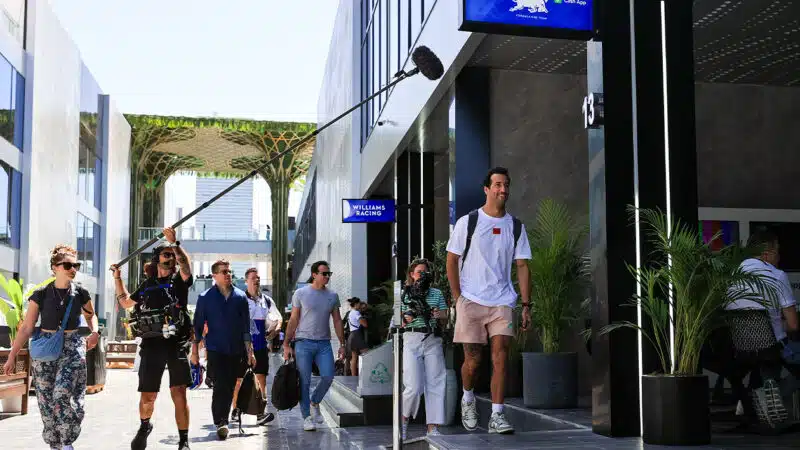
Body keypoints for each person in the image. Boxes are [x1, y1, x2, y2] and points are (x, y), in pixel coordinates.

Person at [446, 167, 531, 435]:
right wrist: (459, 298)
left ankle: (497, 415)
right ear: (487, 189)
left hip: (502, 302)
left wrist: (526, 305)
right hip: (471, 300)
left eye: (506, 184)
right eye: (497, 184)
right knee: (472, 361)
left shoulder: (516, 226)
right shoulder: (468, 222)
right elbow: (451, 260)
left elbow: (522, 266)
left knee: (501, 357)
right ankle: (468, 397)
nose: (502, 189)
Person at [3, 245, 99, 450]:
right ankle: (55, 444)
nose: (73, 269)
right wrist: (12, 356)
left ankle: (67, 442)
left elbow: (91, 316)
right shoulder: (41, 294)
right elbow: (27, 327)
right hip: (46, 348)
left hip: (72, 346)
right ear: (55, 267)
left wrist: (95, 332)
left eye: (76, 265)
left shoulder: (80, 292)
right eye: (68, 265)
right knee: (46, 401)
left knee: (62, 395)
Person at [111, 227, 194, 450]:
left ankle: (184, 440)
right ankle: (145, 425)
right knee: (148, 396)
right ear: (157, 259)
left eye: (173, 255)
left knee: (179, 393)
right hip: (151, 344)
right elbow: (126, 302)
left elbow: (186, 266)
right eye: (167, 254)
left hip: (176, 344)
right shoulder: (147, 285)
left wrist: (175, 244)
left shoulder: (180, 281)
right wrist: (118, 277)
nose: (172, 258)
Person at [190, 259, 256, 440]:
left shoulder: (241, 297)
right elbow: (196, 327)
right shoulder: (205, 298)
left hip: (236, 350)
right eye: (224, 271)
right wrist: (194, 352)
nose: (228, 274)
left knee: (232, 384)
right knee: (222, 385)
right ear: (214, 276)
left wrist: (250, 352)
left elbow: (246, 327)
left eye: (229, 271)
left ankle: (225, 418)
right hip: (215, 349)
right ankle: (221, 422)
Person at [283, 260, 346, 431]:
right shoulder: (301, 293)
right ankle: (306, 417)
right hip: (303, 343)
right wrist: (286, 344)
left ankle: (315, 401)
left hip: (324, 343)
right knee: (304, 381)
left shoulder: (332, 296)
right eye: (324, 273)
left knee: (328, 376)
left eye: (328, 274)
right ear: (314, 275)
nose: (327, 277)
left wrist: (342, 343)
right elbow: (294, 319)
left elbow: (337, 320)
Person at [400, 258, 448, 440]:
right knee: (413, 385)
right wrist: (406, 318)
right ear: (412, 275)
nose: (422, 275)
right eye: (419, 272)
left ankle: (432, 427)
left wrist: (439, 314)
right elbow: (397, 321)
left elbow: (444, 318)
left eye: (425, 272)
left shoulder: (436, 293)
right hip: (411, 337)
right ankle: (403, 420)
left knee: (436, 381)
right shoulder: (404, 293)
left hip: (432, 338)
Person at [230, 267, 281, 426]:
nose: (256, 280)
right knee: (238, 380)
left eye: (258, 278)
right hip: (241, 346)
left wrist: (276, 328)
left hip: (260, 346)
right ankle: (236, 409)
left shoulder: (266, 300)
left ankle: (260, 412)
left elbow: (278, 318)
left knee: (261, 379)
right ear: (246, 281)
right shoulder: (239, 299)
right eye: (253, 278)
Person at [345, 297, 368, 376]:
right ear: (356, 304)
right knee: (366, 354)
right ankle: (364, 374)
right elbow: (364, 324)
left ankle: (353, 376)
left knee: (354, 357)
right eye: (359, 303)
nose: (360, 305)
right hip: (357, 335)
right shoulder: (356, 313)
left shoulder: (351, 312)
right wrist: (363, 317)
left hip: (352, 335)